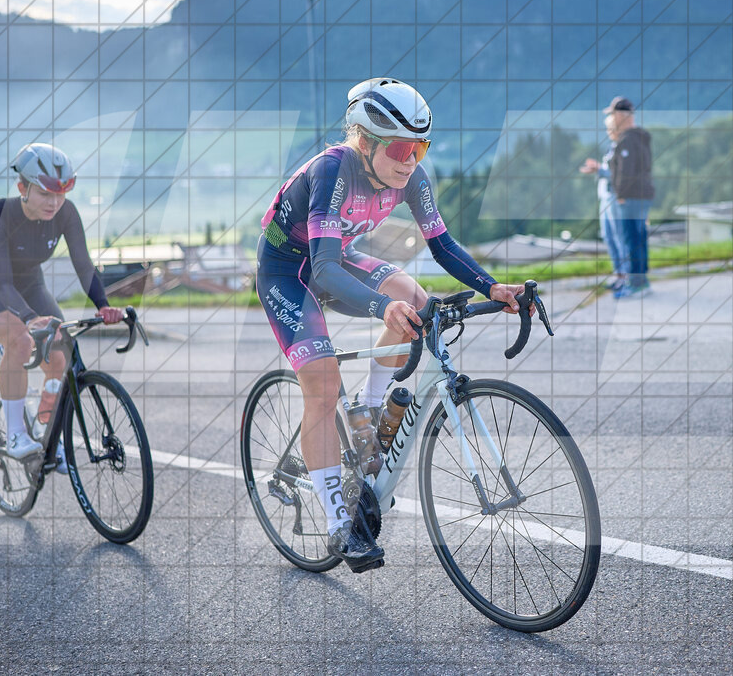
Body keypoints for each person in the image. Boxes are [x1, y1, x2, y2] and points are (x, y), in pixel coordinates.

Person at [255, 78, 529, 572]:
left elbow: (442, 246)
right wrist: (381, 309)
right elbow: (322, 271)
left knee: (415, 299)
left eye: (420, 147)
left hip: (337, 258)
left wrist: (492, 287)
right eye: (401, 148)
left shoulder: (412, 178)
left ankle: (367, 408)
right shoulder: (333, 171)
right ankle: (340, 521)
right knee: (322, 383)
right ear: (364, 139)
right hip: (290, 270)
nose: (411, 160)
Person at [0, 143, 123, 472]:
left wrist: (104, 305)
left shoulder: (66, 213)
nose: (55, 202)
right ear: (23, 187)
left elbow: (84, 266)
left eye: (61, 192)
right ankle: (17, 435)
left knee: (62, 354)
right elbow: (2, 282)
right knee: (20, 339)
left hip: (30, 285)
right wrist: (31, 319)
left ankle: (47, 435)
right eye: (46, 193)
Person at [605, 97, 655, 298]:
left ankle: (636, 284)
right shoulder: (640, 137)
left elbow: (627, 171)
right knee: (639, 237)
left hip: (631, 197)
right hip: (642, 195)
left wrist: (621, 195)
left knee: (631, 240)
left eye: (612, 114)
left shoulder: (627, 140)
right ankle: (642, 280)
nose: (611, 118)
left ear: (621, 115)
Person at [580, 114, 626, 291]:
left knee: (618, 237)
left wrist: (599, 169)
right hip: (605, 197)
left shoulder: (624, 148)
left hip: (615, 197)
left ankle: (626, 276)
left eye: (611, 128)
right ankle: (618, 275)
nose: (609, 132)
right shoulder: (612, 147)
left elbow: (619, 173)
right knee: (608, 236)